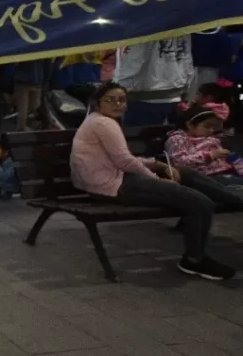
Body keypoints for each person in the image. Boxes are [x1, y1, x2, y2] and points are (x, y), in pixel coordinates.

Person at [71, 82, 238, 281]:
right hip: (112, 186)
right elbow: (125, 161)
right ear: (97, 103)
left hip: (116, 179)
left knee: (186, 174)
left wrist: (158, 165)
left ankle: (236, 199)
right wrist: (157, 179)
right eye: (110, 100)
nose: (117, 104)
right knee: (201, 202)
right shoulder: (103, 123)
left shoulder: (100, 120)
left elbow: (120, 160)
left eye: (122, 100)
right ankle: (194, 260)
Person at [114, 38, 193, 127]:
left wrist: (116, 90)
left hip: (145, 98)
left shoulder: (142, 26)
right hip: (176, 94)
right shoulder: (182, 25)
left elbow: (133, 62)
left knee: (139, 137)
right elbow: (187, 58)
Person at [164, 104, 243, 189]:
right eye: (207, 126)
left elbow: (232, 157)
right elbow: (179, 163)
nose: (211, 130)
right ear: (190, 125)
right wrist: (209, 155)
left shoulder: (212, 140)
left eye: (213, 127)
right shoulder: (177, 140)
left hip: (228, 172)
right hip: (205, 178)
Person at [12, 60, 49, 132]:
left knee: (24, 109)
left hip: (23, 81)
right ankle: (24, 128)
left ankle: (22, 129)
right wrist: (45, 80)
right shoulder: (43, 49)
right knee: (33, 107)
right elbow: (47, 66)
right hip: (35, 81)